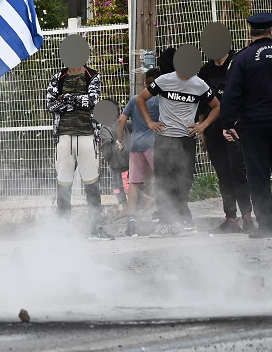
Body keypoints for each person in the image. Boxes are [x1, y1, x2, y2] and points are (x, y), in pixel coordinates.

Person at [136, 54, 219, 236]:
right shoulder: (164, 81)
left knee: (184, 181)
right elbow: (140, 99)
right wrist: (150, 122)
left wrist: (203, 126)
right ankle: (166, 223)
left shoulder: (199, 85)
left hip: (186, 139)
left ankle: (183, 221)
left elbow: (216, 106)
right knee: (163, 182)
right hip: (165, 139)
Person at [46, 60, 112, 239]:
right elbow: (50, 105)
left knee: (92, 184)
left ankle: (95, 228)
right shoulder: (58, 77)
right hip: (64, 137)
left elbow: (92, 101)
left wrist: (65, 98)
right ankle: (62, 231)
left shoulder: (93, 76)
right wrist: (77, 100)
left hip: (87, 135)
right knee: (63, 185)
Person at [220, 13, 272, 239]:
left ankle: (267, 225)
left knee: (259, 175)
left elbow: (231, 93)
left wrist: (227, 122)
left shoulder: (242, 58)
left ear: (249, 33)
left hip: (254, 125)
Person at [198, 49, 254, 233]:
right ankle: (231, 219)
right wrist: (203, 133)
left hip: (234, 129)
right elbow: (201, 104)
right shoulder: (205, 70)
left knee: (238, 173)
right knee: (223, 176)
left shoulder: (237, 62)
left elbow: (247, 94)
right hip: (213, 129)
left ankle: (247, 217)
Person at [117, 67, 162, 237]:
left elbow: (122, 119)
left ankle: (132, 222)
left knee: (134, 183)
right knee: (161, 179)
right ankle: (162, 214)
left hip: (136, 145)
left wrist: (120, 140)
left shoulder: (135, 99)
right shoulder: (160, 100)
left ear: (144, 83)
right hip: (154, 144)